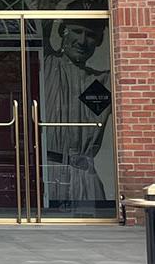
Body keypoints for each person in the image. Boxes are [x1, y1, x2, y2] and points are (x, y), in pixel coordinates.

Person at [41, 13, 111, 209]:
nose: (82, 41)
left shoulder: (100, 82)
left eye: (90, 35)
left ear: (99, 41)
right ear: (63, 31)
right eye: (77, 31)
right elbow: (38, 21)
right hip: (49, 170)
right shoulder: (46, 64)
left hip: (84, 175)